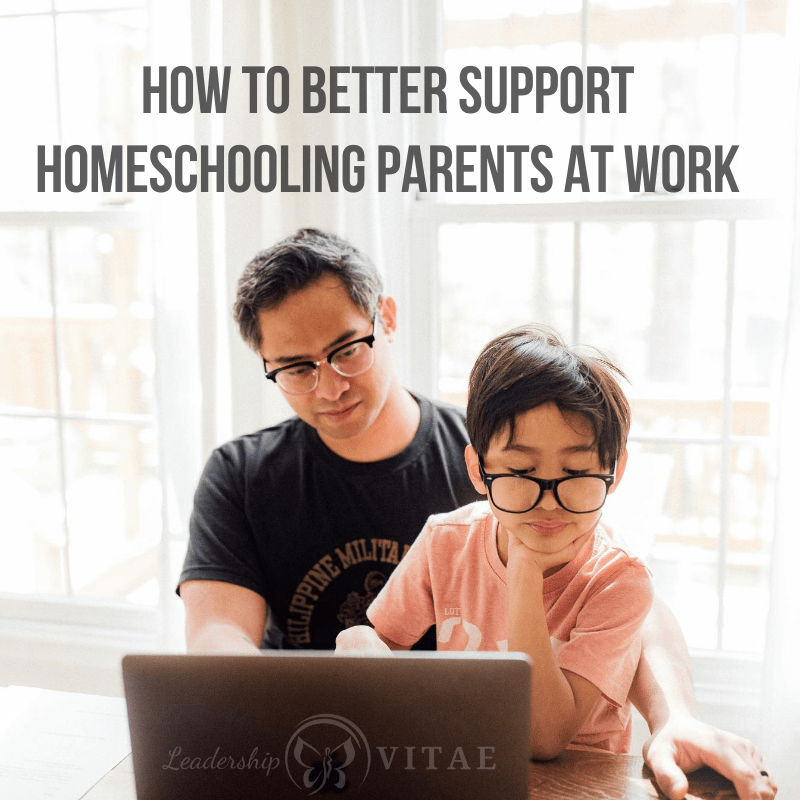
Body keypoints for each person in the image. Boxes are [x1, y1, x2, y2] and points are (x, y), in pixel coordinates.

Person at [178, 228, 776, 798]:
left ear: (385, 319)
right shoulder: (243, 474)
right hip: (327, 746)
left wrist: (675, 716)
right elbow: (217, 639)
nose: (328, 385)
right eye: (297, 367)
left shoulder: (508, 457)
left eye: (346, 351)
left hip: (483, 760)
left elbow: (623, 596)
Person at [338, 325, 654, 758]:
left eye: (577, 474)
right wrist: (359, 643)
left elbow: (543, 737)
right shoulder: (445, 542)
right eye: (521, 473)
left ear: (614, 473)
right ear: (477, 471)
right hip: (472, 762)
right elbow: (381, 642)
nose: (547, 502)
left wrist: (524, 573)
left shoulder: (620, 580)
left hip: (581, 779)